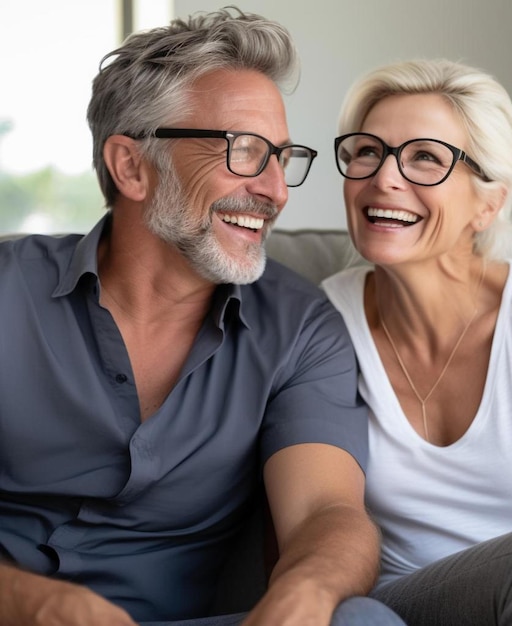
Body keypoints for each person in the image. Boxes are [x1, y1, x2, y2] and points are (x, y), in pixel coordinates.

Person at [0, 8, 406, 626]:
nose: (276, 190)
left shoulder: (300, 328)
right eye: (244, 151)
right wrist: (33, 602)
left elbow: (329, 513)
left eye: (282, 155)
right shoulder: (7, 290)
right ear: (132, 166)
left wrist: (309, 589)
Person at [322, 58, 512, 624]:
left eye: (425, 158)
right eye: (368, 150)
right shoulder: (320, 323)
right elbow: (302, 529)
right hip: (399, 608)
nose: (385, 177)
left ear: (487, 204)